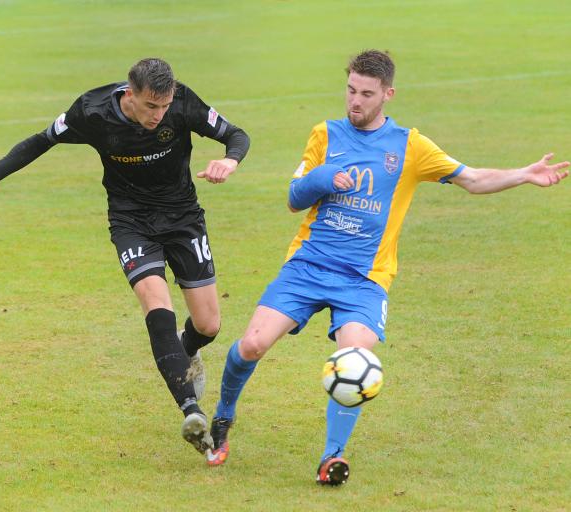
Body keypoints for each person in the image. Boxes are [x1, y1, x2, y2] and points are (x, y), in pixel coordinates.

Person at [204, 49, 568, 484]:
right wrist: (326, 178)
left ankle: (331, 459)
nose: (355, 101)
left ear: (387, 95)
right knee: (252, 345)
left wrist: (522, 175)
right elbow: (294, 196)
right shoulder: (325, 134)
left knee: (353, 361)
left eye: (366, 94)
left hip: (364, 281)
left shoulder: (409, 146)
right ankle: (224, 416)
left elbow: (471, 179)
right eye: (351, 90)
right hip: (308, 266)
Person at [0, 58, 250, 455]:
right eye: (150, 107)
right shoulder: (92, 111)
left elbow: (236, 134)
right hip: (131, 221)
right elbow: (42, 140)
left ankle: (185, 350)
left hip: (184, 218)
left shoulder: (183, 102)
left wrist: (230, 159)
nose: (159, 115)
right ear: (130, 94)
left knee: (208, 324)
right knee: (156, 302)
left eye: (164, 106)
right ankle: (191, 409)